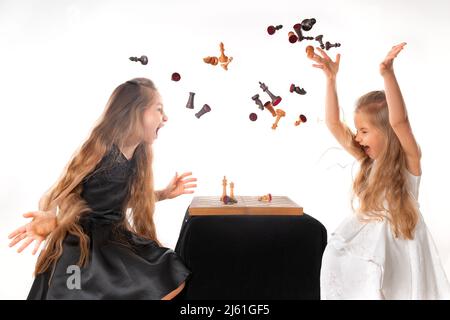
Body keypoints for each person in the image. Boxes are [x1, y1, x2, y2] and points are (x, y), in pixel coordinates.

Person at [8, 77, 197, 299]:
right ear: (136, 112)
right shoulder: (101, 151)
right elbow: (55, 193)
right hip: (83, 248)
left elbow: (121, 198)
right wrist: (50, 216)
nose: (164, 118)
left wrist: (164, 194)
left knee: (168, 274)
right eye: (158, 110)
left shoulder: (136, 157)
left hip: (113, 239)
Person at [309, 43, 450, 299]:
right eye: (357, 131)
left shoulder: (409, 162)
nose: (358, 138)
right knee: (339, 260)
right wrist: (331, 80)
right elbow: (333, 123)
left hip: (400, 244)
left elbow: (399, 121)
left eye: (364, 131)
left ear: (386, 132)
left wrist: (388, 74)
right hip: (372, 240)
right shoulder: (368, 160)